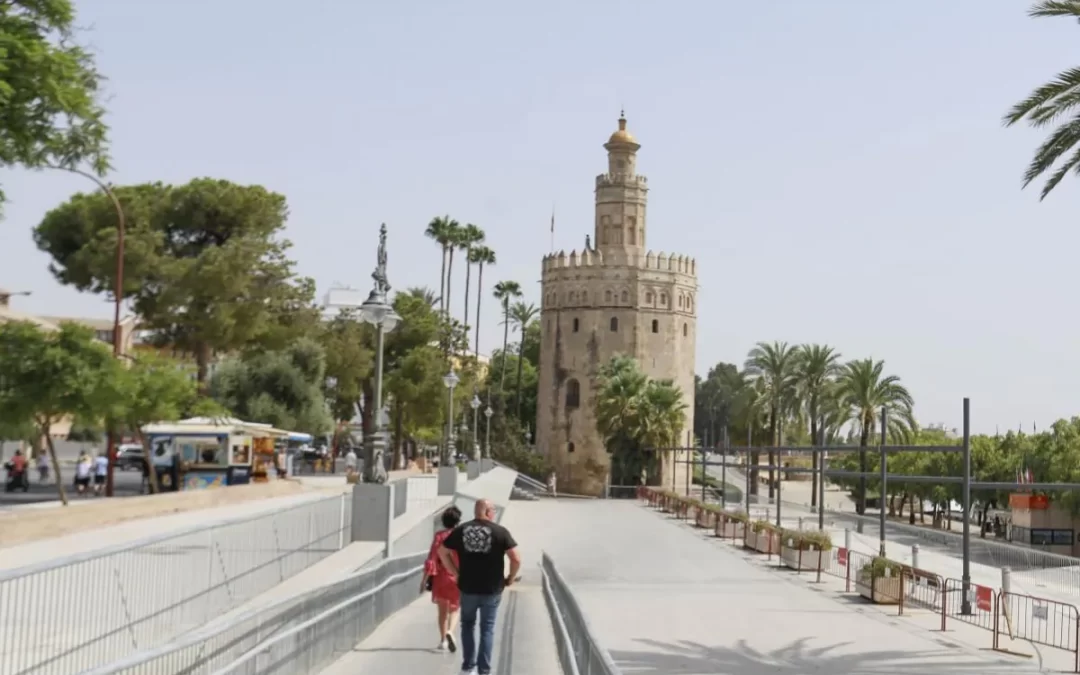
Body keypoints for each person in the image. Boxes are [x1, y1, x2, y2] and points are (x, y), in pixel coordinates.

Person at [439, 499, 521, 675]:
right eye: (493, 510)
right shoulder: (500, 531)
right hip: (492, 589)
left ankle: (468, 667)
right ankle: (484, 670)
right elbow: (515, 558)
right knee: (487, 628)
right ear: (488, 512)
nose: (494, 514)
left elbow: (442, 552)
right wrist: (511, 578)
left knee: (467, 625)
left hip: (467, 587)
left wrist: (455, 572)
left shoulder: (461, 530)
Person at [421, 506, 463, 652]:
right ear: (458, 521)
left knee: (442, 611)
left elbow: (432, 559)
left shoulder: (439, 536)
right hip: (457, 577)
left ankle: (443, 640)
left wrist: (424, 580)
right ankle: (451, 631)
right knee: (455, 608)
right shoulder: (460, 536)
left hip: (440, 578)